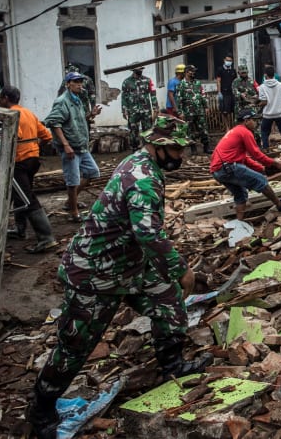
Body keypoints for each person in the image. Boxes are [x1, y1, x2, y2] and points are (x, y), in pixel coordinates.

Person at [26, 115, 212, 439]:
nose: (181, 155)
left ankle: (172, 365)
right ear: (157, 146)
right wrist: (182, 269)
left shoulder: (144, 165)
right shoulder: (142, 177)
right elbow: (149, 233)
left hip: (128, 265)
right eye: (176, 149)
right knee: (75, 345)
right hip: (94, 272)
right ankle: (41, 410)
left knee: (168, 303)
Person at [0, 85, 59, 253]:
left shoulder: (11, 114)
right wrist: (33, 146)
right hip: (32, 160)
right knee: (20, 194)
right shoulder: (28, 113)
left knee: (26, 197)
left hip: (19, 161)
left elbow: (14, 135)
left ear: (5, 98)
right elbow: (46, 136)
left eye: (0, 98)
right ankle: (20, 229)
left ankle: (46, 238)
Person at [210, 109, 281, 221]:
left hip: (218, 171)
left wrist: (262, 168)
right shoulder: (244, 132)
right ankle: (280, 205)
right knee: (261, 181)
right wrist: (274, 162)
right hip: (228, 167)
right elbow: (256, 154)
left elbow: (245, 158)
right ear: (246, 121)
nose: (256, 123)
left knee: (240, 195)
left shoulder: (235, 131)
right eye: (254, 120)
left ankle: (239, 222)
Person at [44, 71, 102, 223]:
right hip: (70, 148)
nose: (79, 84)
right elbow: (53, 122)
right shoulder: (62, 101)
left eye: (80, 82)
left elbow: (79, 119)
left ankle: (70, 201)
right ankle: (74, 212)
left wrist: (91, 115)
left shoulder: (77, 100)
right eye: (75, 82)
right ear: (68, 84)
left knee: (92, 172)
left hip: (81, 146)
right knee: (73, 180)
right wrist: (65, 145)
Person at [175, 64, 212, 155]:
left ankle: (206, 147)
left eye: (194, 71)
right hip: (188, 112)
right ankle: (193, 148)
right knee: (190, 130)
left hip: (199, 111)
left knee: (203, 129)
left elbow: (202, 95)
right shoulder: (181, 84)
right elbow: (179, 100)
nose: (193, 73)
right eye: (192, 71)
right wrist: (180, 112)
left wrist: (206, 106)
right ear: (187, 72)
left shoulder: (197, 83)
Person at [121, 65, 158, 150]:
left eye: (141, 69)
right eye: (139, 69)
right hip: (133, 111)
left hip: (146, 110)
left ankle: (148, 148)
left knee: (148, 130)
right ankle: (135, 149)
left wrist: (155, 107)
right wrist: (124, 110)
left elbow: (153, 94)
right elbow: (124, 97)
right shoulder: (127, 82)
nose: (140, 71)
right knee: (133, 130)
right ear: (134, 70)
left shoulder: (148, 80)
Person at [258, 64, 281, 152]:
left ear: (265, 75)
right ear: (274, 74)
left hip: (267, 115)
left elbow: (264, 101)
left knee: (265, 132)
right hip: (279, 113)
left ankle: (265, 148)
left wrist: (258, 105)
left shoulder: (262, 87)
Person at [215, 54, 236, 132]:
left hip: (232, 93)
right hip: (224, 92)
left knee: (233, 110)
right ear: (224, 60)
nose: (228, 62)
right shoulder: (220, 69)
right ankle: (227, 127)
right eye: (227, 60)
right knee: (225, 111)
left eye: (230, 61)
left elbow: (235, 82)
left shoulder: (233, 71)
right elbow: (218, 81)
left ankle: (233, 126)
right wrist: (219, 92)